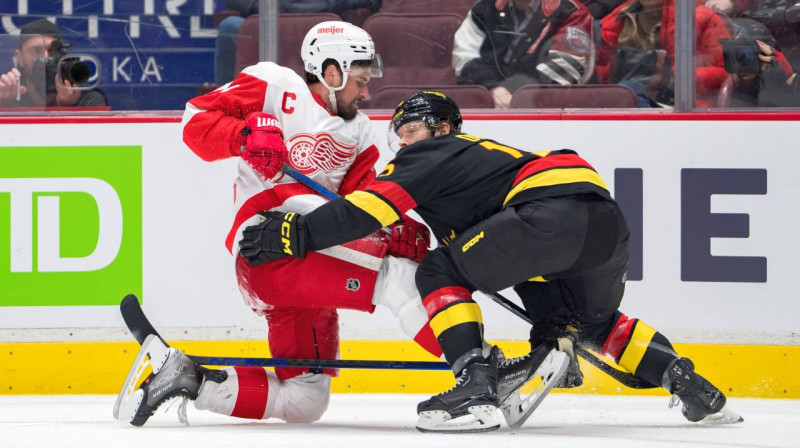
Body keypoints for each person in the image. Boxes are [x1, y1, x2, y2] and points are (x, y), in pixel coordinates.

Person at [235, 91, 745, 432]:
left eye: (408, 132)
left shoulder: (431, 154)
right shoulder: (475, 162)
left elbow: (368, 209)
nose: (402, 145)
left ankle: (474, 385)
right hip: (601, 223)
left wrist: (295, 233)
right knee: (588, 323)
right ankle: (689, 384)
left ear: (440, 128)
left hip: (545, 213)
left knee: (439, 270)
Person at [115, 21, 445, 428]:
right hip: (270, 246)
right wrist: (244, 135)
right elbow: (193, 121)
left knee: (306, 400)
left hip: (313, 265)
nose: (366, 92)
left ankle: (187, 379)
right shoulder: (274, 84)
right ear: (331, 72)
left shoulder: (360, 132)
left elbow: (361, 208)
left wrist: (392, 227)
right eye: (359, 81)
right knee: (396, 276)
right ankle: (478, 369)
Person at [452, 0, 594, 109]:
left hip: (547, 113)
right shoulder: (484, 8)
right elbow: (464, 56)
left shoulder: (570, 11)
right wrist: (492, 88)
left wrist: (515, 97)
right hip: (487, 104)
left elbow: (564, 71)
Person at [594, 0, 731, 107]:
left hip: (682, 105)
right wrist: (592, 73)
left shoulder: (699, 16)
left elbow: (726, 71)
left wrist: (675, 77)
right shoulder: (619, 21)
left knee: (629, 90)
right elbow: (605, 72)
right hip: (627, 100)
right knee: (627, 90)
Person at [214, 0, 383, 85]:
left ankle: (347, 100)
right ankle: (225, 103)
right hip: (266, 17)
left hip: (327, 19)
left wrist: (326, 3)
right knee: (230, 26)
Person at [0, 19, 107, 108]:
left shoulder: (87, 97)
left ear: (62, 54)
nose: (45, 57)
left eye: (52, 50)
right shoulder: (10, 95)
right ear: (20, 58)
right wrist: (3, 103)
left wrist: (68, 108)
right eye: (36, 51)